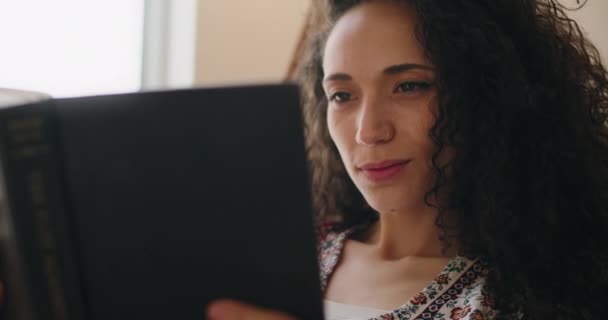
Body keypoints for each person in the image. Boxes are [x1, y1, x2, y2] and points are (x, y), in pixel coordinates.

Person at [205, 0, 608, 319]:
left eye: (409, 86)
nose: (369, 131)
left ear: (488, 96)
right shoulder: (285, 256)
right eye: (342, 95)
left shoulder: (537, 297)